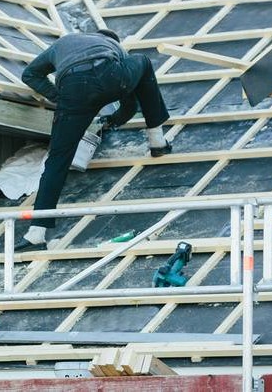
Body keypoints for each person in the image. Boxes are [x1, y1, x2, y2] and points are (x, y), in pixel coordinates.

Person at [19, 28, 171, 250]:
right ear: (112, 40)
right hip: (111, 76)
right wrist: (112, 122)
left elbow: (30, 74)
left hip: (72, 87)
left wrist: (60, 97)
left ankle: (36, 233)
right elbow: (131, 104)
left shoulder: (65, 42)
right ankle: (157, 141)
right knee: (144, 62)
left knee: (57, 161)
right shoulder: (116, 49)